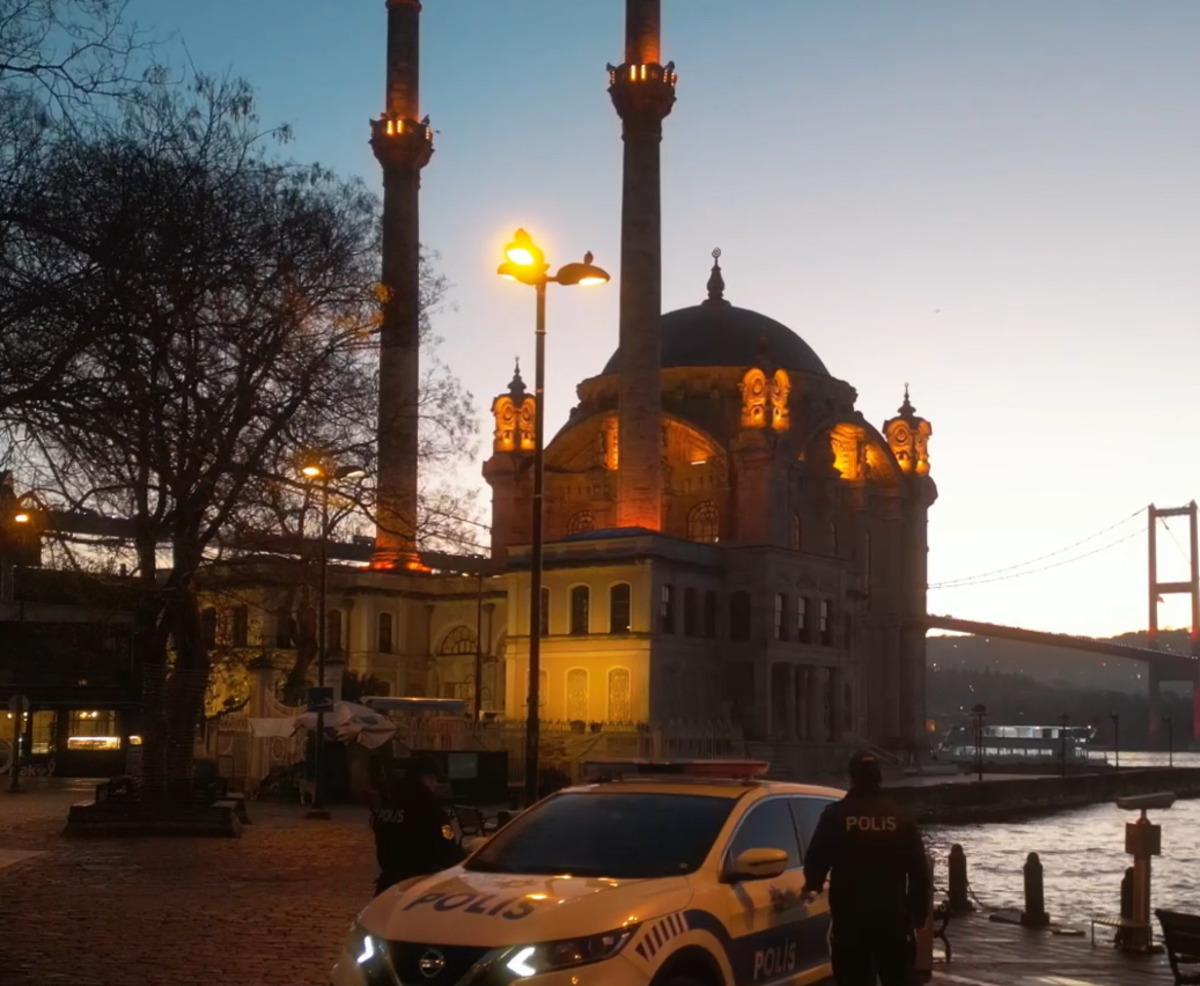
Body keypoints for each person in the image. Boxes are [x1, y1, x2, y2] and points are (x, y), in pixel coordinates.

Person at [803, 751, 930, 986]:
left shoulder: (836, 815)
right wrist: (917, 913)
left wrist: (813, 885)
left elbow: (816, 857)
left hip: (850, 918)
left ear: (852, 777)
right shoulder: (900, 817)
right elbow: (919, 871)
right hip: (893, 917)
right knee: (898, 977)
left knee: (854, 978)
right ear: (880, 778)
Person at [371, 754, 465, 896]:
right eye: (434, 780)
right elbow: (447, 847)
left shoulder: (390, 803)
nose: (436, 784)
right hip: (419, 883)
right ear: (426, 778)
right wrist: (466, 863)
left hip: (388, 883)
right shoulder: (429, 807)